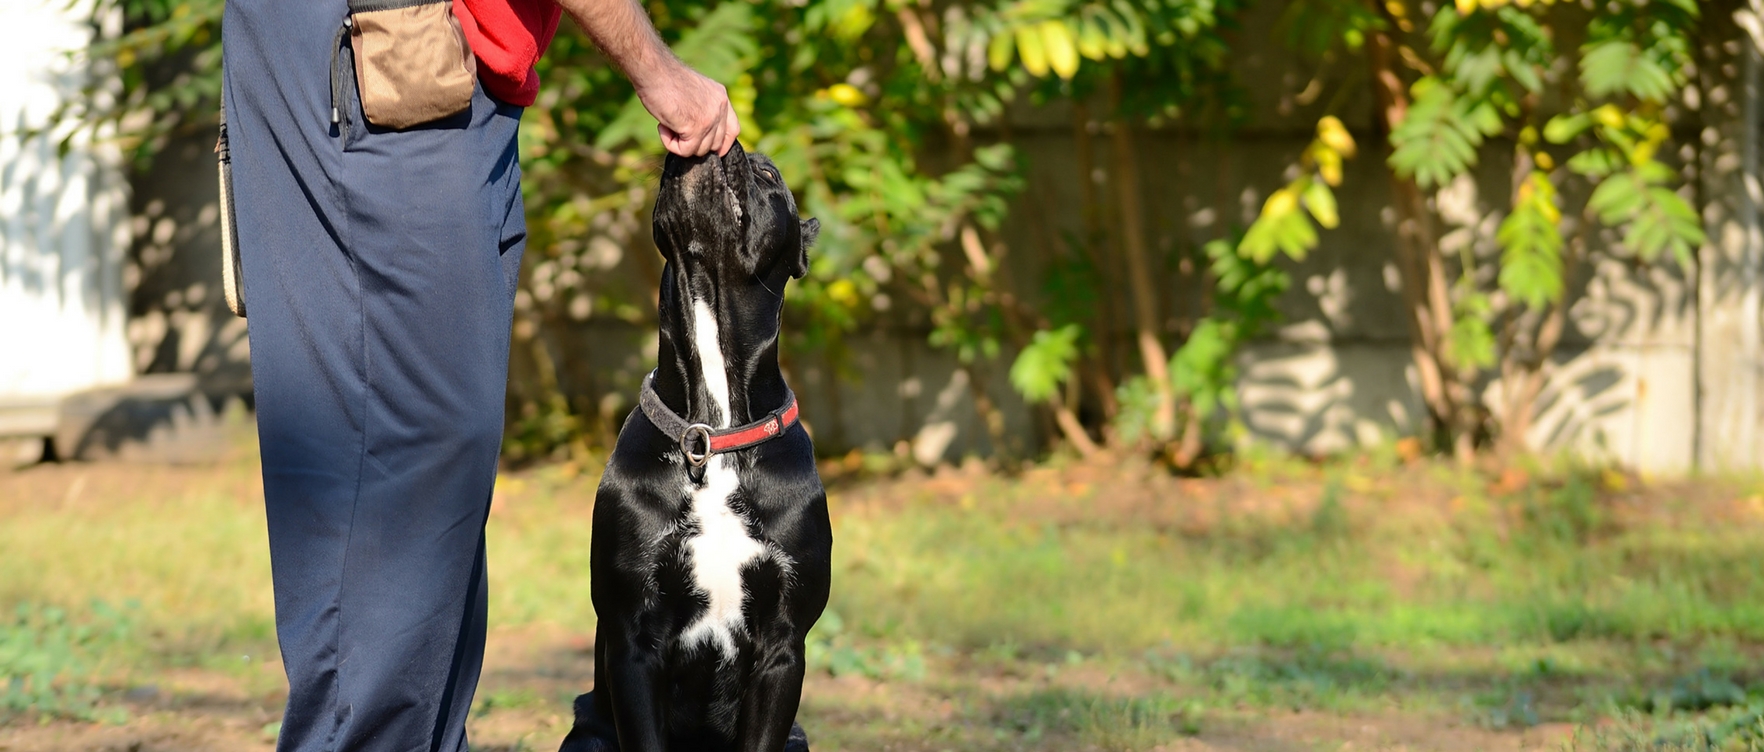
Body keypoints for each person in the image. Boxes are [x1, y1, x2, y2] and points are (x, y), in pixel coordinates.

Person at [221, 0, 736, 749]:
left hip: (435, 69)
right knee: (401, 460)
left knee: (438, 470)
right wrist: (660, 75)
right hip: (381, 55)